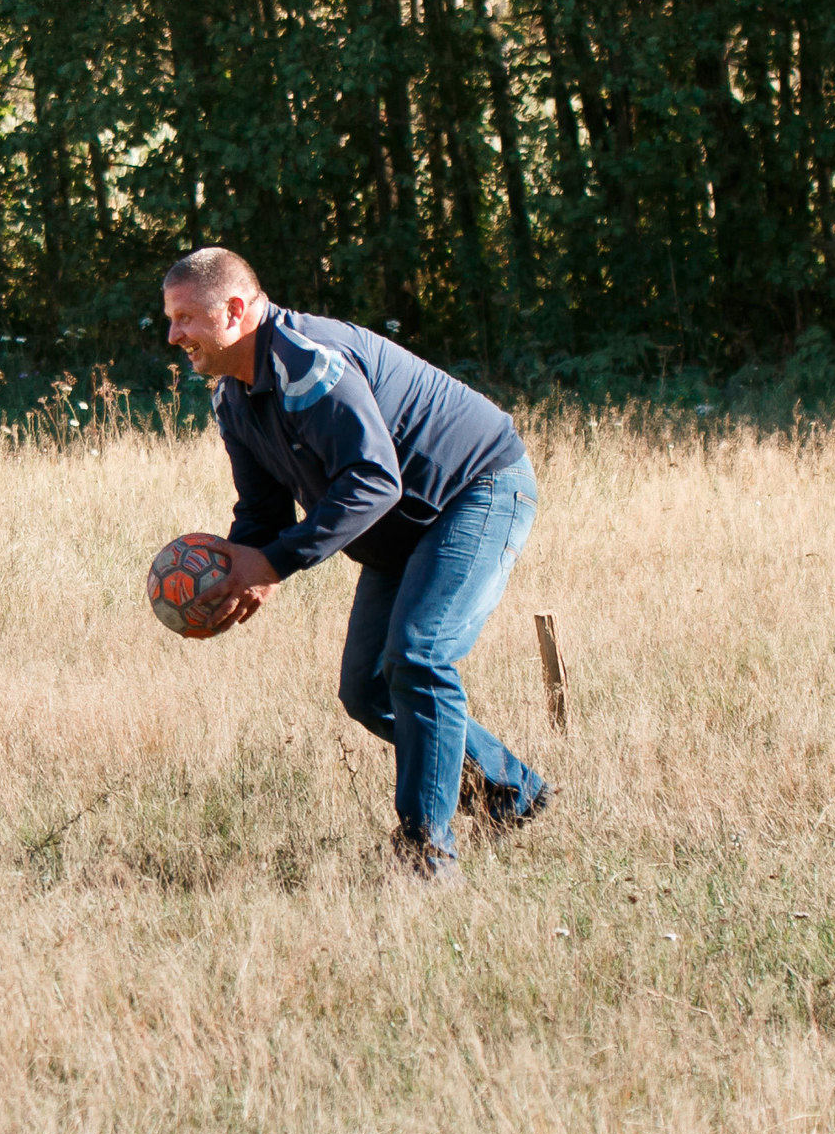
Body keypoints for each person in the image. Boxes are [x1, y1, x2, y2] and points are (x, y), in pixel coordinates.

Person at [160, 247, 548, 883]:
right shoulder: (232, 396)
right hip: (399, 528)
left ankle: (425, 854)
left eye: (185, 318)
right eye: (171, 320)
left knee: (419, 657)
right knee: (367, 689)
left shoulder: (310, 365)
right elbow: (262, 511)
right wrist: (241, 568)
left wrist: (273, 564)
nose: (174, 336)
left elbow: (373, 481)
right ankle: (513, 792)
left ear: (233, 310)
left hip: (475, 489)